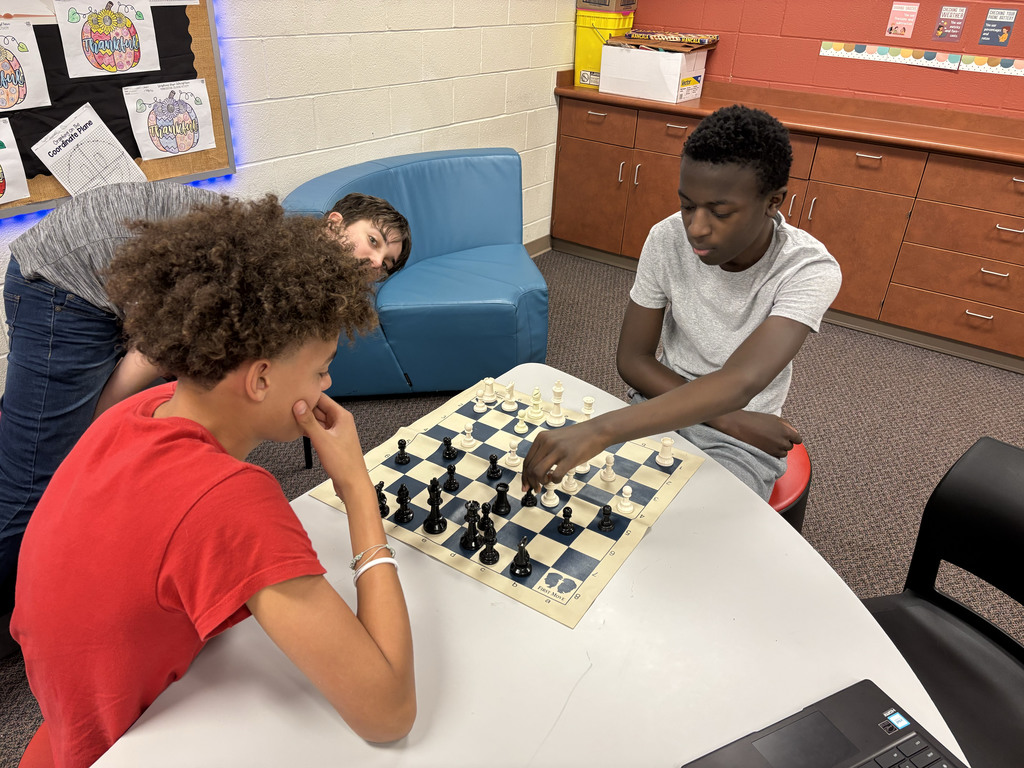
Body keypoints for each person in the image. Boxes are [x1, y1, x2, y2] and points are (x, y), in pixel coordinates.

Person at [11, 196, 416, 767]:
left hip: (60, 725)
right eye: (322, 369)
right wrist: (355, 487)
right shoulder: (231, 500)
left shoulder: (139, 411)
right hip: (120, 749)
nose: (328, 383)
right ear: (261, 379)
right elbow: (389, 713)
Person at [523, 105, 842, 502]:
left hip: (744, 442)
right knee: (590, 508)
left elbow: (741, 382)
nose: (696, 228)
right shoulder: (667, 238)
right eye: (688, 205)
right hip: (664, 406)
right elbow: (633, 360)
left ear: (773, 201)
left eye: (720, 212)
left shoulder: (808, 269)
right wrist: (731, 419)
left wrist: (600, 430)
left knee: (696, 529)